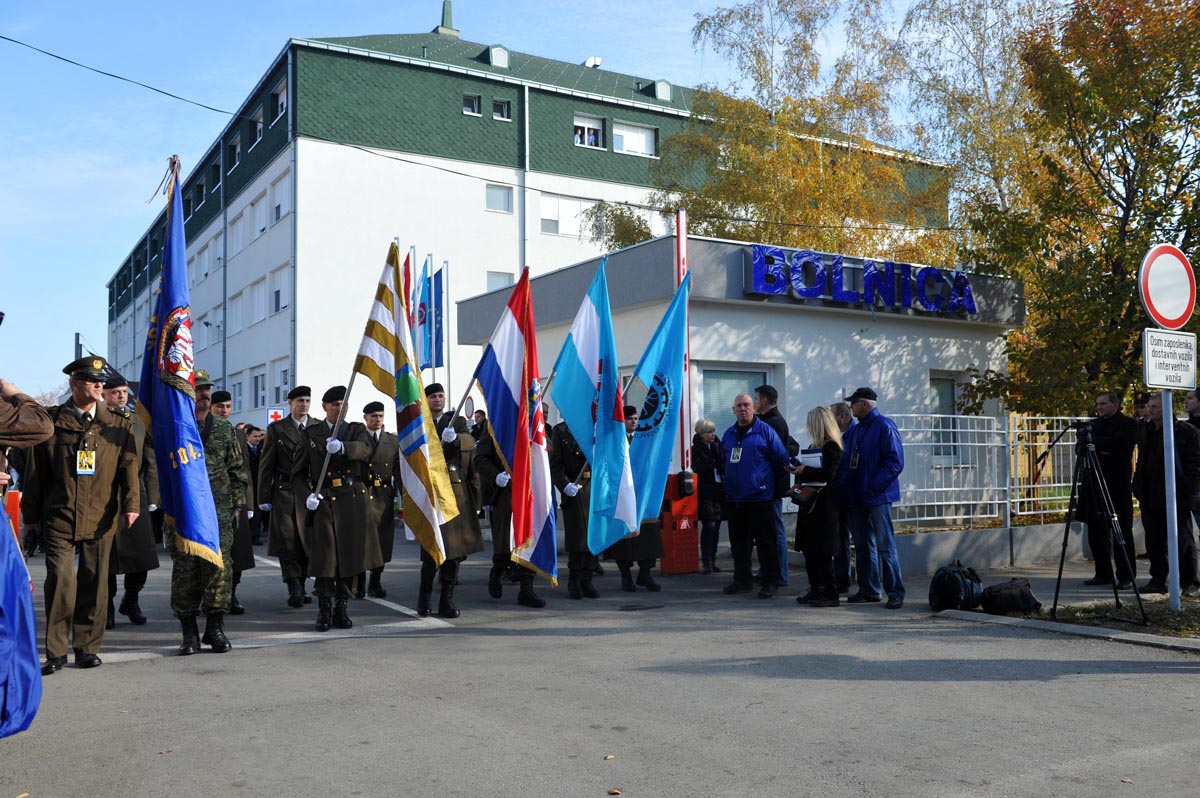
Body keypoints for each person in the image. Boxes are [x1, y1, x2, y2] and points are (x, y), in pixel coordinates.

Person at [22, 356, 139, 674]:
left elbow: (129, 469)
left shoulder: (117, 423)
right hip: (59, 514)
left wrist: (132, 505)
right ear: (74, 384)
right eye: (91, 380)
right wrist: (29, 517)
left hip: (101, 516)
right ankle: (56, 651)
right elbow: (36, 475)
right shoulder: (51, 422)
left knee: (95, 582)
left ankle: (87, 647)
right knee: (60, 580)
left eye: (101, 381)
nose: (99, 385)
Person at [293, 386, 382, 631]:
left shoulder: (356, 429)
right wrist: (307, 496)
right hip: (324, 500)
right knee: (325, 557)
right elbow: (298, 474)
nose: (339, 408)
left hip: (352, 500)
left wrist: (343, 448)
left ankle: (342, 607)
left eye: (343, 404)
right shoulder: (312, 433)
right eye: (334, 405)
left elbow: (365, 450)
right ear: (324, 407)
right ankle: (324, 608)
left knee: (349, 558)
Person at [170, 370, 244, 655]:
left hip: (218, 513)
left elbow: (237, 471)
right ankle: (189, 633)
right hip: (185, 513)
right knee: (185, 573)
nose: (203, 394)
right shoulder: (176, 427)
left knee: (218, 570)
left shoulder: (225, 430)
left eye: (206, 390)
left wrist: (238, 504)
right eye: (198, 389)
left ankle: (214, 629)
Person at [838, 386, 906, 609]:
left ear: (865, 404)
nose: (851, 408)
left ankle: (895, 591)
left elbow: (895, 462)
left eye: (854, 403)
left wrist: (872, 487)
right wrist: (847, 491)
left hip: (878, 496)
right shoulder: (857, 431)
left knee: (885, 546)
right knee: (863, 545)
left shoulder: (884, 426)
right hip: (858, 497)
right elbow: (847, 463)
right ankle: (869, 589)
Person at [101, 376, 159, 629]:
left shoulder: (137, 422)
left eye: (124, 391)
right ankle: (107, 606)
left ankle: (131, 599)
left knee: (141, 554)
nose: (122, 396)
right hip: (103, 497)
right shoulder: (96, 420)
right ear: (104, 394)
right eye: (115, 392)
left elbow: (149, 460)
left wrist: (152, 496)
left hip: (135, 493)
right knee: (107, 558)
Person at [421, 383, 484, 617]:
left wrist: (456, 439)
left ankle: (446, 600)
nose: (438, 399)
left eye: (441, 396)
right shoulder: (420, 422)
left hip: (455, 491)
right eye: (433, 396)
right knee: (431, 549)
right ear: (426, 400)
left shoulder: (454, 421)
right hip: (430, 491)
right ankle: (424, 596)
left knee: (454, 551)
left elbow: (469, 442)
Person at [720, 393, 788, 599]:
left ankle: (771, 581)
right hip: (736, 499)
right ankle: (742, 580)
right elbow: (724, 461)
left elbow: (781, 461)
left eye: (747, 405)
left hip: (760, 498)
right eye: (739, 405)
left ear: (754, 408)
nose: (743, 409)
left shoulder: (765, 432)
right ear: (733, 410)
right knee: (739, 543)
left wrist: (771, 488)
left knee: (766, 543)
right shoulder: (729, 434)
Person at [474, 413, 546, 608]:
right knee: (504, 540)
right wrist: (495, 476)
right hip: (505, 492)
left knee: (529, 541)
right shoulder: (496, 424)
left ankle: (526, 588)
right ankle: (497, 570)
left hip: (531, 492)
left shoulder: (536, 423)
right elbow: (479, 458)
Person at [1132, 394, 1200, 596]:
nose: (1150, 410)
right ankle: (1158, 579)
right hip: (1149, 495)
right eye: (1149, 406)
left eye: (1155, 406)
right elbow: (1142, 460)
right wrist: (1136, 486)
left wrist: (1183, 490)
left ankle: (1190, 582)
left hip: (1176, 496)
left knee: (1183, 540)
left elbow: (1195, 466)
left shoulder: (1187, 432)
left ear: (1167, 407)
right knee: (1154, 540)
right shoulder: (1146, 430)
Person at [259, 386, 313, 607]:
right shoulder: (277, 429)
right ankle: (294, 586)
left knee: (308, 542)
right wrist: (263, 496)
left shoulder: (318, 427)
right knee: (289, 542)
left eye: (307, 400)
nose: (304, 404)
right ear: (290, 403)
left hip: (310, 494)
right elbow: (266, 465)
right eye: (300, 400)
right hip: (285, 491)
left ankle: (301, 582)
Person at [1081, 391, 1137, 588]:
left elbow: (1120, 445)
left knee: (1121, 530)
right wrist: (1100, 447)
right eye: (1098, 404)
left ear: (1115, 404)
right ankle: (1103, 573)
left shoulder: (1128, 423)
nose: (1100, 407)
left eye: (1103, 403)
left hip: (1117, 484)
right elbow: (1082, 448)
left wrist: (1097, 445)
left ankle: (1126, 575)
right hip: (1094, 483)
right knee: (1097, 532)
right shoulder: (1094, 425)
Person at [789, 407, 844, 607]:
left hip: (824, 506)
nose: (808, 427)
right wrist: (798, 470)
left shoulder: (832, 447)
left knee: (822, 551)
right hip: (811, 503)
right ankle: (816, 588)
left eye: (811, 422)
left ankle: (830, 592)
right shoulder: (816, 445)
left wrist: (806, 470)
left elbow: (829, 474)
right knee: (810, 549)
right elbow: (813, 472)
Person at [607, 405, 663, 591]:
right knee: (624, 539)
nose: (634, 421)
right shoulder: (616, 441)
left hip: (643, 496)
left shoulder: (643, 440)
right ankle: (626, 577)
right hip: (623, 495)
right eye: (630, 418)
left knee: (649, 534)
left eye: (635, 418)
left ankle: (645, 574)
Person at [210, 390, 255, 615]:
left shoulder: (238, 435)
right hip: (209, 501)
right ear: (210, 408)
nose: (224, 411)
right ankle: (208, 596)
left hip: (234, 501)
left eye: (227, 406)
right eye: (219, 407)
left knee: (237, 553)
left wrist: (248, 503)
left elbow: (244, 470)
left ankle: (231, 593)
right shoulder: (202, 430)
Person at [351, 401, 400, 599]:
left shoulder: (391, 441)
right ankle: (359, 582)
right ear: (365, 418)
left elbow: (397, 469)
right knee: (363, 540)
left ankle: (376, 581)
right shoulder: (358, 438)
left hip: (384, 494)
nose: (377, 419)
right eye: (373, 416)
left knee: (382, 540)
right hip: (363, 492)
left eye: (380, 416)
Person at [549, 417, 600, 599]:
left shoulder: (594, 426)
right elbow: (555, 465)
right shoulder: (560, 431)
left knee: (595, 539)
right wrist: (565, 485)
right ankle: (574, 580)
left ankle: (587, 579)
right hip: (575, 489)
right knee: (578, 540)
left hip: (594, 488)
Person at [755, 384, 792, 588]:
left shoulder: (775, 423)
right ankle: (768, 570)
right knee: (766, 531)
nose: (754, 402)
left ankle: (780, 574)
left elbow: (778, 454)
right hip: (764, 486)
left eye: (756, 398)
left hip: (772, 485)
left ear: (765, 401)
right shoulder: (765, 421)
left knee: (776, 530)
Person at [692, 418, 725, 575]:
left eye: (713, 431)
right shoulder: (696, 449)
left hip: (719, 490)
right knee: (709, 526)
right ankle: (706, 561)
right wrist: (712, 460)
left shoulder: (718, 446)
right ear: (700, 434)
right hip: (706, 492)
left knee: (717, 526)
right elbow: (698, 468)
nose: (712, 435)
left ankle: (713, 560)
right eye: (709, 432)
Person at [829, 401, 856, 593]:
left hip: (853, 494)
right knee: (840, 539)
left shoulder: (855, 434)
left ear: (842, 417)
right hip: (839, 494)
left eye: (831, 416)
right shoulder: (837, 435)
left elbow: (848, 467)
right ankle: (842, 580)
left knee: (862, 541)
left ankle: (865, 583)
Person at [245, 425, 266, 544]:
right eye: (255, 436)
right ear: (248, 437)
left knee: (258, 512)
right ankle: (247, 535)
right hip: (247, 484)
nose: (258, 439)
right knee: (248, 511)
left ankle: (255, 535)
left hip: (258, 484)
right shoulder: (243, 449)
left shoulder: (262, 449)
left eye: (259, 436)